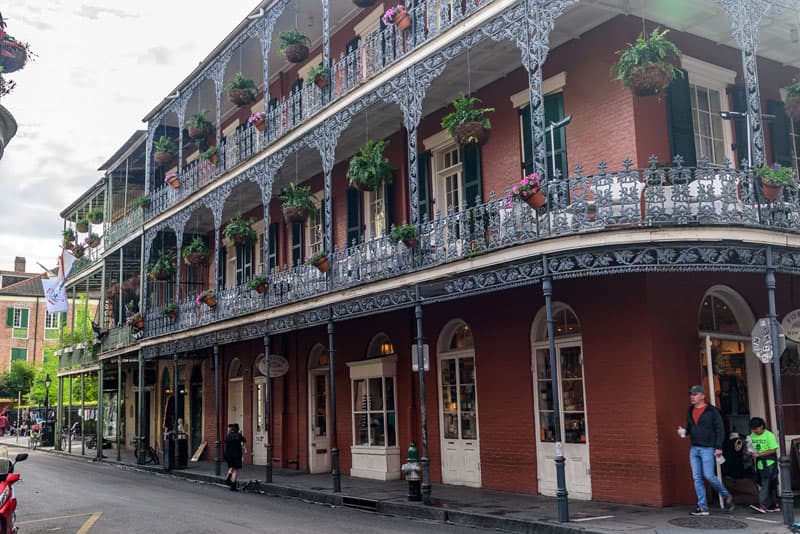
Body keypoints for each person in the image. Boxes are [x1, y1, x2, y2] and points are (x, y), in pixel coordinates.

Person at [678, 385, 735, 515]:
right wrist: (684, 431)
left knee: (709, 475)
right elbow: (691, 428)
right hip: (694, 447)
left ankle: (726, 495)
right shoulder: (690, 410)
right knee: (697, 478)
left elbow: (720, 429)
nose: (692, 397)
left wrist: (719, 446)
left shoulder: (712, 411)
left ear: (703, 396)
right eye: (691, 394)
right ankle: (702, 507)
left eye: (695, 394)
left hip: (708, 447)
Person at [747, 417, 780, 514]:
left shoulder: (769, 435)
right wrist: (749, 452)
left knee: (765, 484)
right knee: (769, 484)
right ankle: (774, 505)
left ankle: (762, 505)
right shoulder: (752, 435)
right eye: (752, 429)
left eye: (756, 428)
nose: (754, 431)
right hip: (760, 464)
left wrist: (760, 454)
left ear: (762, 426)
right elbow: (751, 448)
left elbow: (773, 450)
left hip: (769, 463)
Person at [223, 423, 246, 491]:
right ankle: (233, 486)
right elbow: (244, 440)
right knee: (235, 470)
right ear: (237, 429)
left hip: (228, 455)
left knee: (231, 467)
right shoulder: (238, 435)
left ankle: (228, 477)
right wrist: (240, 434)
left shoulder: (227, 436)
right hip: (236, 455)